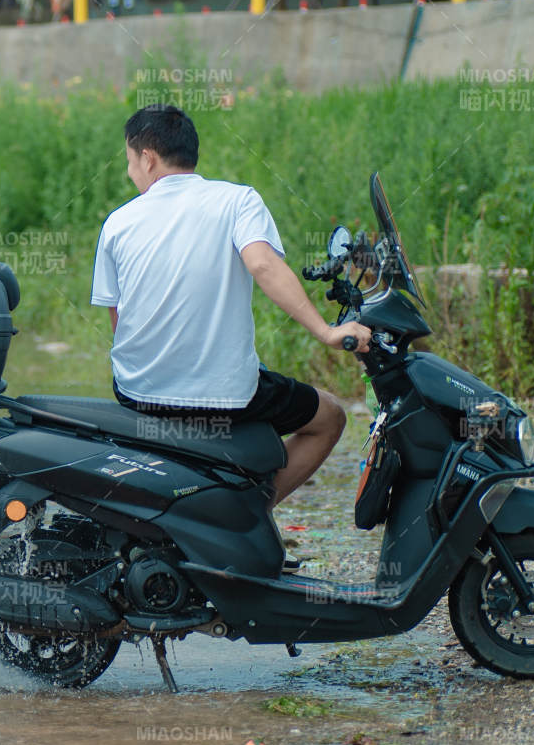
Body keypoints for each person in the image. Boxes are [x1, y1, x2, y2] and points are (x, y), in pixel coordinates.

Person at [89, 104, 371, 506]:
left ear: (147, 158)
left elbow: (119, 321)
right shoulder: (237, 200)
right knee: (329, 417)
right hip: (226, 396)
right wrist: (327, 332)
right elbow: (262, 264)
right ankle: (250, 515)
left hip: (138, 393)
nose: (130, 171)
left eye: (130, 161)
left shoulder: (118, 222)